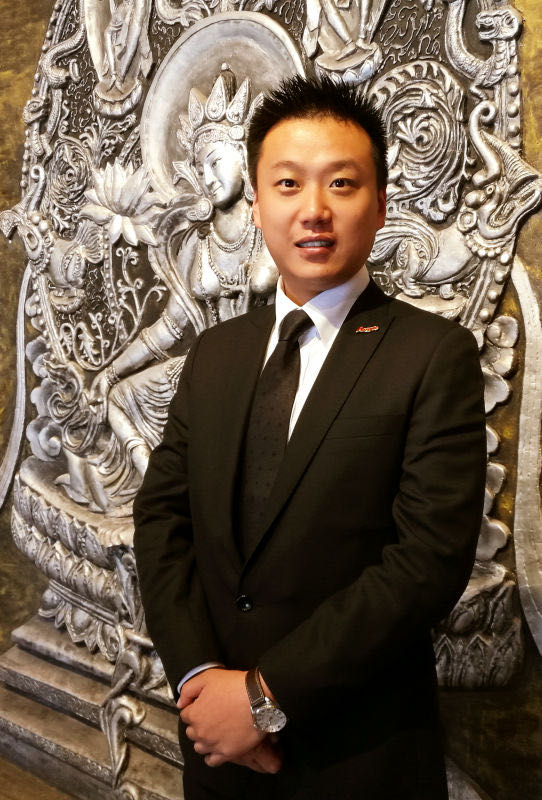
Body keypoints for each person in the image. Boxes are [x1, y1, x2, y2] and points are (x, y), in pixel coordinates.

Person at [133, 75, 486, 799]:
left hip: (358, 756)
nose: (314, 210)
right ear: (257, 203)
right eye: (288, 183)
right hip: (217, 751)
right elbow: (162, 518)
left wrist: (262, 698)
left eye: (342, 183)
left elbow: (426, 562)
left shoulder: (432, 355)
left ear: (380, 205)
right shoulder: (217, 353)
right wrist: (199, 679)